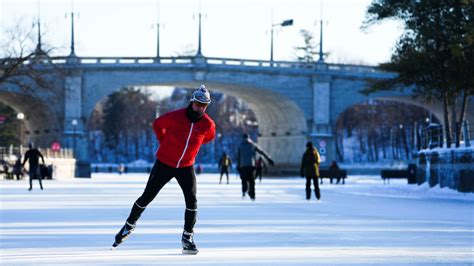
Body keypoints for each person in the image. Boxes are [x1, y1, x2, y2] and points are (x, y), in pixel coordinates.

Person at [112, 85, 215, 255]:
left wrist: (192, 147)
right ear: (192, 102)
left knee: (192, 200)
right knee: (147, 196)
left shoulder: (207, 124)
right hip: (165, 163)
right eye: (198, 104)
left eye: (204, 105)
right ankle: (129, 226)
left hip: (186, 166)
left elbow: (208, 138)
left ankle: (187, 238)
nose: (200, 108)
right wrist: (163, 141)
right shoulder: (176, 116)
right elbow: (157, 124)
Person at [237, 133, 274, 200]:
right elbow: (261, 151)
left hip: (243, 167)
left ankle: (244, 192)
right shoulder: (252, 145)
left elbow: (238, 157)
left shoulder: (240, 146)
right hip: (251, 166)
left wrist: (238, 166)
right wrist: (269, 159)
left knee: (244, 180)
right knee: (252, 181)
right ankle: (252, 195)